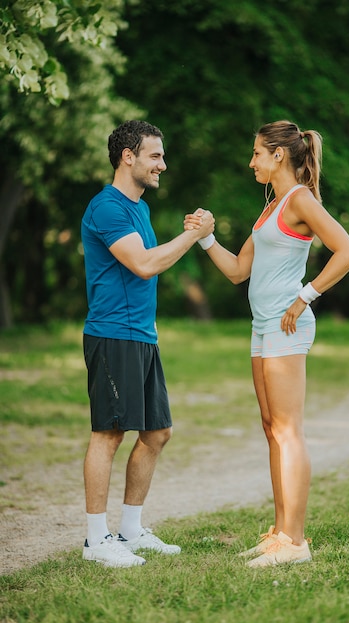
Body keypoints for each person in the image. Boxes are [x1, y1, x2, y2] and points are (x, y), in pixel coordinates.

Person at [185, 120, 349, 567]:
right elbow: (238, 270)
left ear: (279, 155)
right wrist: (204, 236)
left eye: (257, 153)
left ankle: (295, 542)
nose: (252, 162)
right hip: (262, 326)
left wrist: (306, 296)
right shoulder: (271, 207)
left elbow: (347, 251)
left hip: (286, 326)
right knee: (271, 428)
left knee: (288, 430)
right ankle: (280, 532)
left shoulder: (300, 199)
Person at [81, 120, 214, 568]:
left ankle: (131, 531)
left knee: (157, 432)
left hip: (141, 335)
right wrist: (194, 235)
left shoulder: (138, 207)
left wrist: (188, 236)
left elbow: (152, 262)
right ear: (128, 157)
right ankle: (96, 540)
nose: (163, 164)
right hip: (113, 333)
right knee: (110, 432)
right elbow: (143, 264)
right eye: (155, 156)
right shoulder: (107, 208)